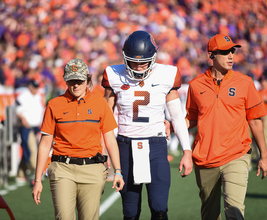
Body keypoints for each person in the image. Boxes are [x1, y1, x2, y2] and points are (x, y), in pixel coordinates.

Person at [102, 30, 192, 220]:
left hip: (156, 145)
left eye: (143, 61)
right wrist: (103, 152)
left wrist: (187, 151)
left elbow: (176, 116)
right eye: (134, 61)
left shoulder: (166, 74)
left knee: (159, 208)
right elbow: (105, 118)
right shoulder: (114, 74)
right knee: (130, 211)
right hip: (125, 146)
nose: (139, 66)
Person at [185, 34, 267, 220]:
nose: (231, 55)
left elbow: (255, 121)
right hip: (205, 158)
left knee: (234, 209)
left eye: (232, 51)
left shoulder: (245, 82)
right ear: (212, 55)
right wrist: (173, 126)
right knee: (210, 215)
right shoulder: (195, 85)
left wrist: (263, 156)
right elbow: (190, 119)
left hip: (236, 155)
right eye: (225, 52)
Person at [32, 59, 124, 220]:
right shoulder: (54, 104)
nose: (75, 85)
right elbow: (45, 144)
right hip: (62, 169)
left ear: (88, 80)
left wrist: (117, 171)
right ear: (65, 80)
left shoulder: (100, 103)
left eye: (80, 81)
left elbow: (110, 140)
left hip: (93, 169)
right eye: (71, 81)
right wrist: (37, 179)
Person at [16, 79, 45, 180]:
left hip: (35, 126)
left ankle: (20, 172)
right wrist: (23, 119)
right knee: (31, 149)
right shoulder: (24, 95)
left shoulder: (38, 96)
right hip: (26, 126)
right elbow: (17, 110)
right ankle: (37, 171)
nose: (36, 89)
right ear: (30, 87)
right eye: (34, 87)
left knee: (30, 149)